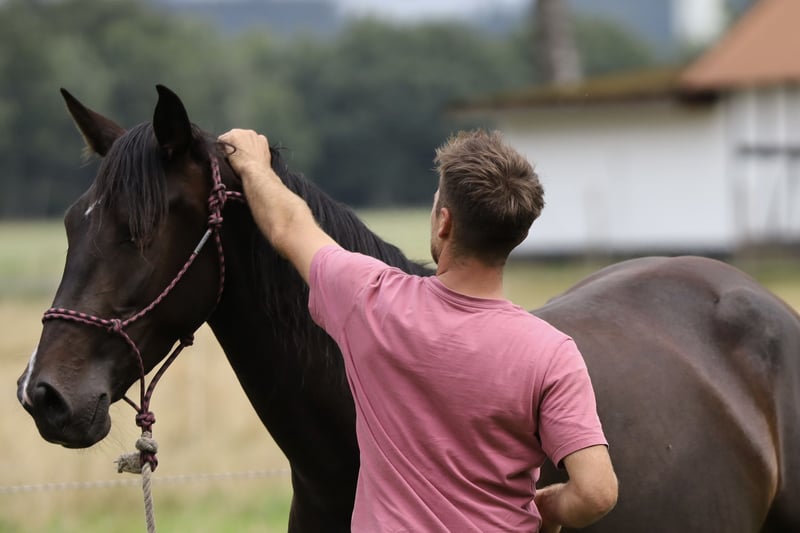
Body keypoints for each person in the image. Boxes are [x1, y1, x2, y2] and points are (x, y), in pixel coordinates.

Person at [219, 127, 618, 532]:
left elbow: (287, 226)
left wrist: (254, 165)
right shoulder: (552, 353)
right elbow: (597, 492)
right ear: (520, 234)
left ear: (444, 222)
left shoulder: (372, 302)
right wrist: (546, 509)